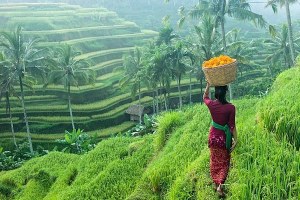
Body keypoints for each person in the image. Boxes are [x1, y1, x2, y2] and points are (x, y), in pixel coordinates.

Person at [203, 82, 237, 197]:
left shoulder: (212, 105)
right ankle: (220, 185)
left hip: (213, 138)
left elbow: (205, 97)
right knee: (224, 162)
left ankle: (216, 183)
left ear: (216, 94)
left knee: (214, 161)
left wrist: (208, 84)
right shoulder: (231, 108)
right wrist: (235, 140)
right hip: (223, 140)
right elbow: (232, 126)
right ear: (225, 92)